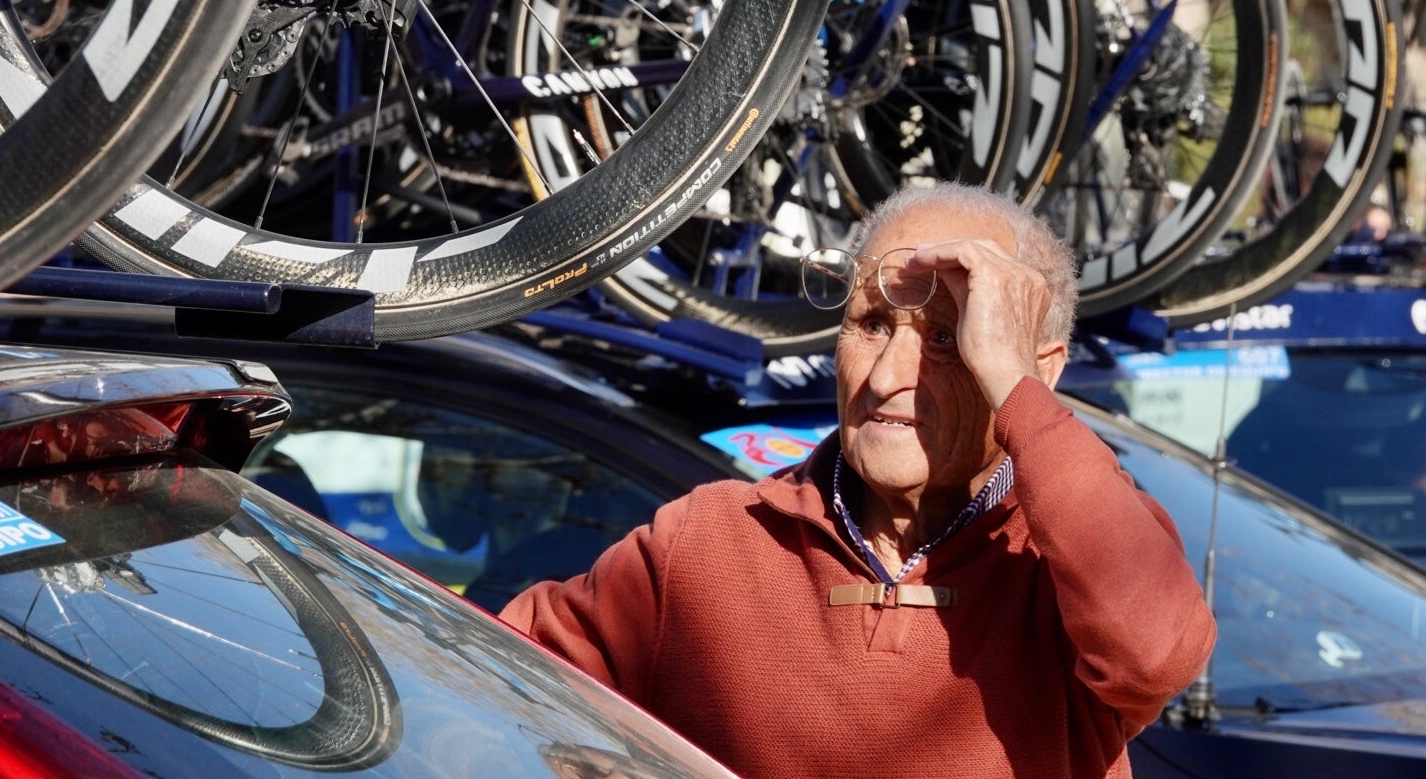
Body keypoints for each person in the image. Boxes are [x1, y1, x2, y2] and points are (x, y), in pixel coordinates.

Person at [501, 182, 1216, 778]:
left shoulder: (1063, 566)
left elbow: (1156, 655)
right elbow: (490, 678)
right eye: (870, 324)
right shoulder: (707, 541)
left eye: (945, 337)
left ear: (1038, 369)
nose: (884, 377)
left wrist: (1018, 391)